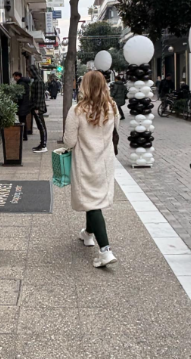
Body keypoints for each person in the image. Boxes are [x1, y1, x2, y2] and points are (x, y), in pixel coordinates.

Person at [62, 71, 119, 267]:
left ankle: (105, 251)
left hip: (85, 162)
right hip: (105, 161)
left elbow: (69, 141)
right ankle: (87, 234)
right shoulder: (112, 107)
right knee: (94, 199)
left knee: (92, 202)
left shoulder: (77, 110)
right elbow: (115, 130)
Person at [28, 65, 48, 152]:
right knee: (40, 126)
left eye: (29, 72)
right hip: (37, 107)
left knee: (41, 126)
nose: (29, 74)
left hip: (38, 108)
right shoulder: (37, 80)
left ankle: (43, 145)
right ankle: (42, 144)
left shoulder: (38, 81)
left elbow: (39, 96)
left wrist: (37, 108)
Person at [13, 71, 33, 141]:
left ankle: (24, 135)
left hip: (22, 105)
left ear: (18, 76)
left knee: (22, 120)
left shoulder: (21, 84)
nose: (14, 78)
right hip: (25, 104)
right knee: (23, 120)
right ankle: (24, 135)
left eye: (14, 77)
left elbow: (20, 96)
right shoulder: (24, 83)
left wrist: (16, 100)